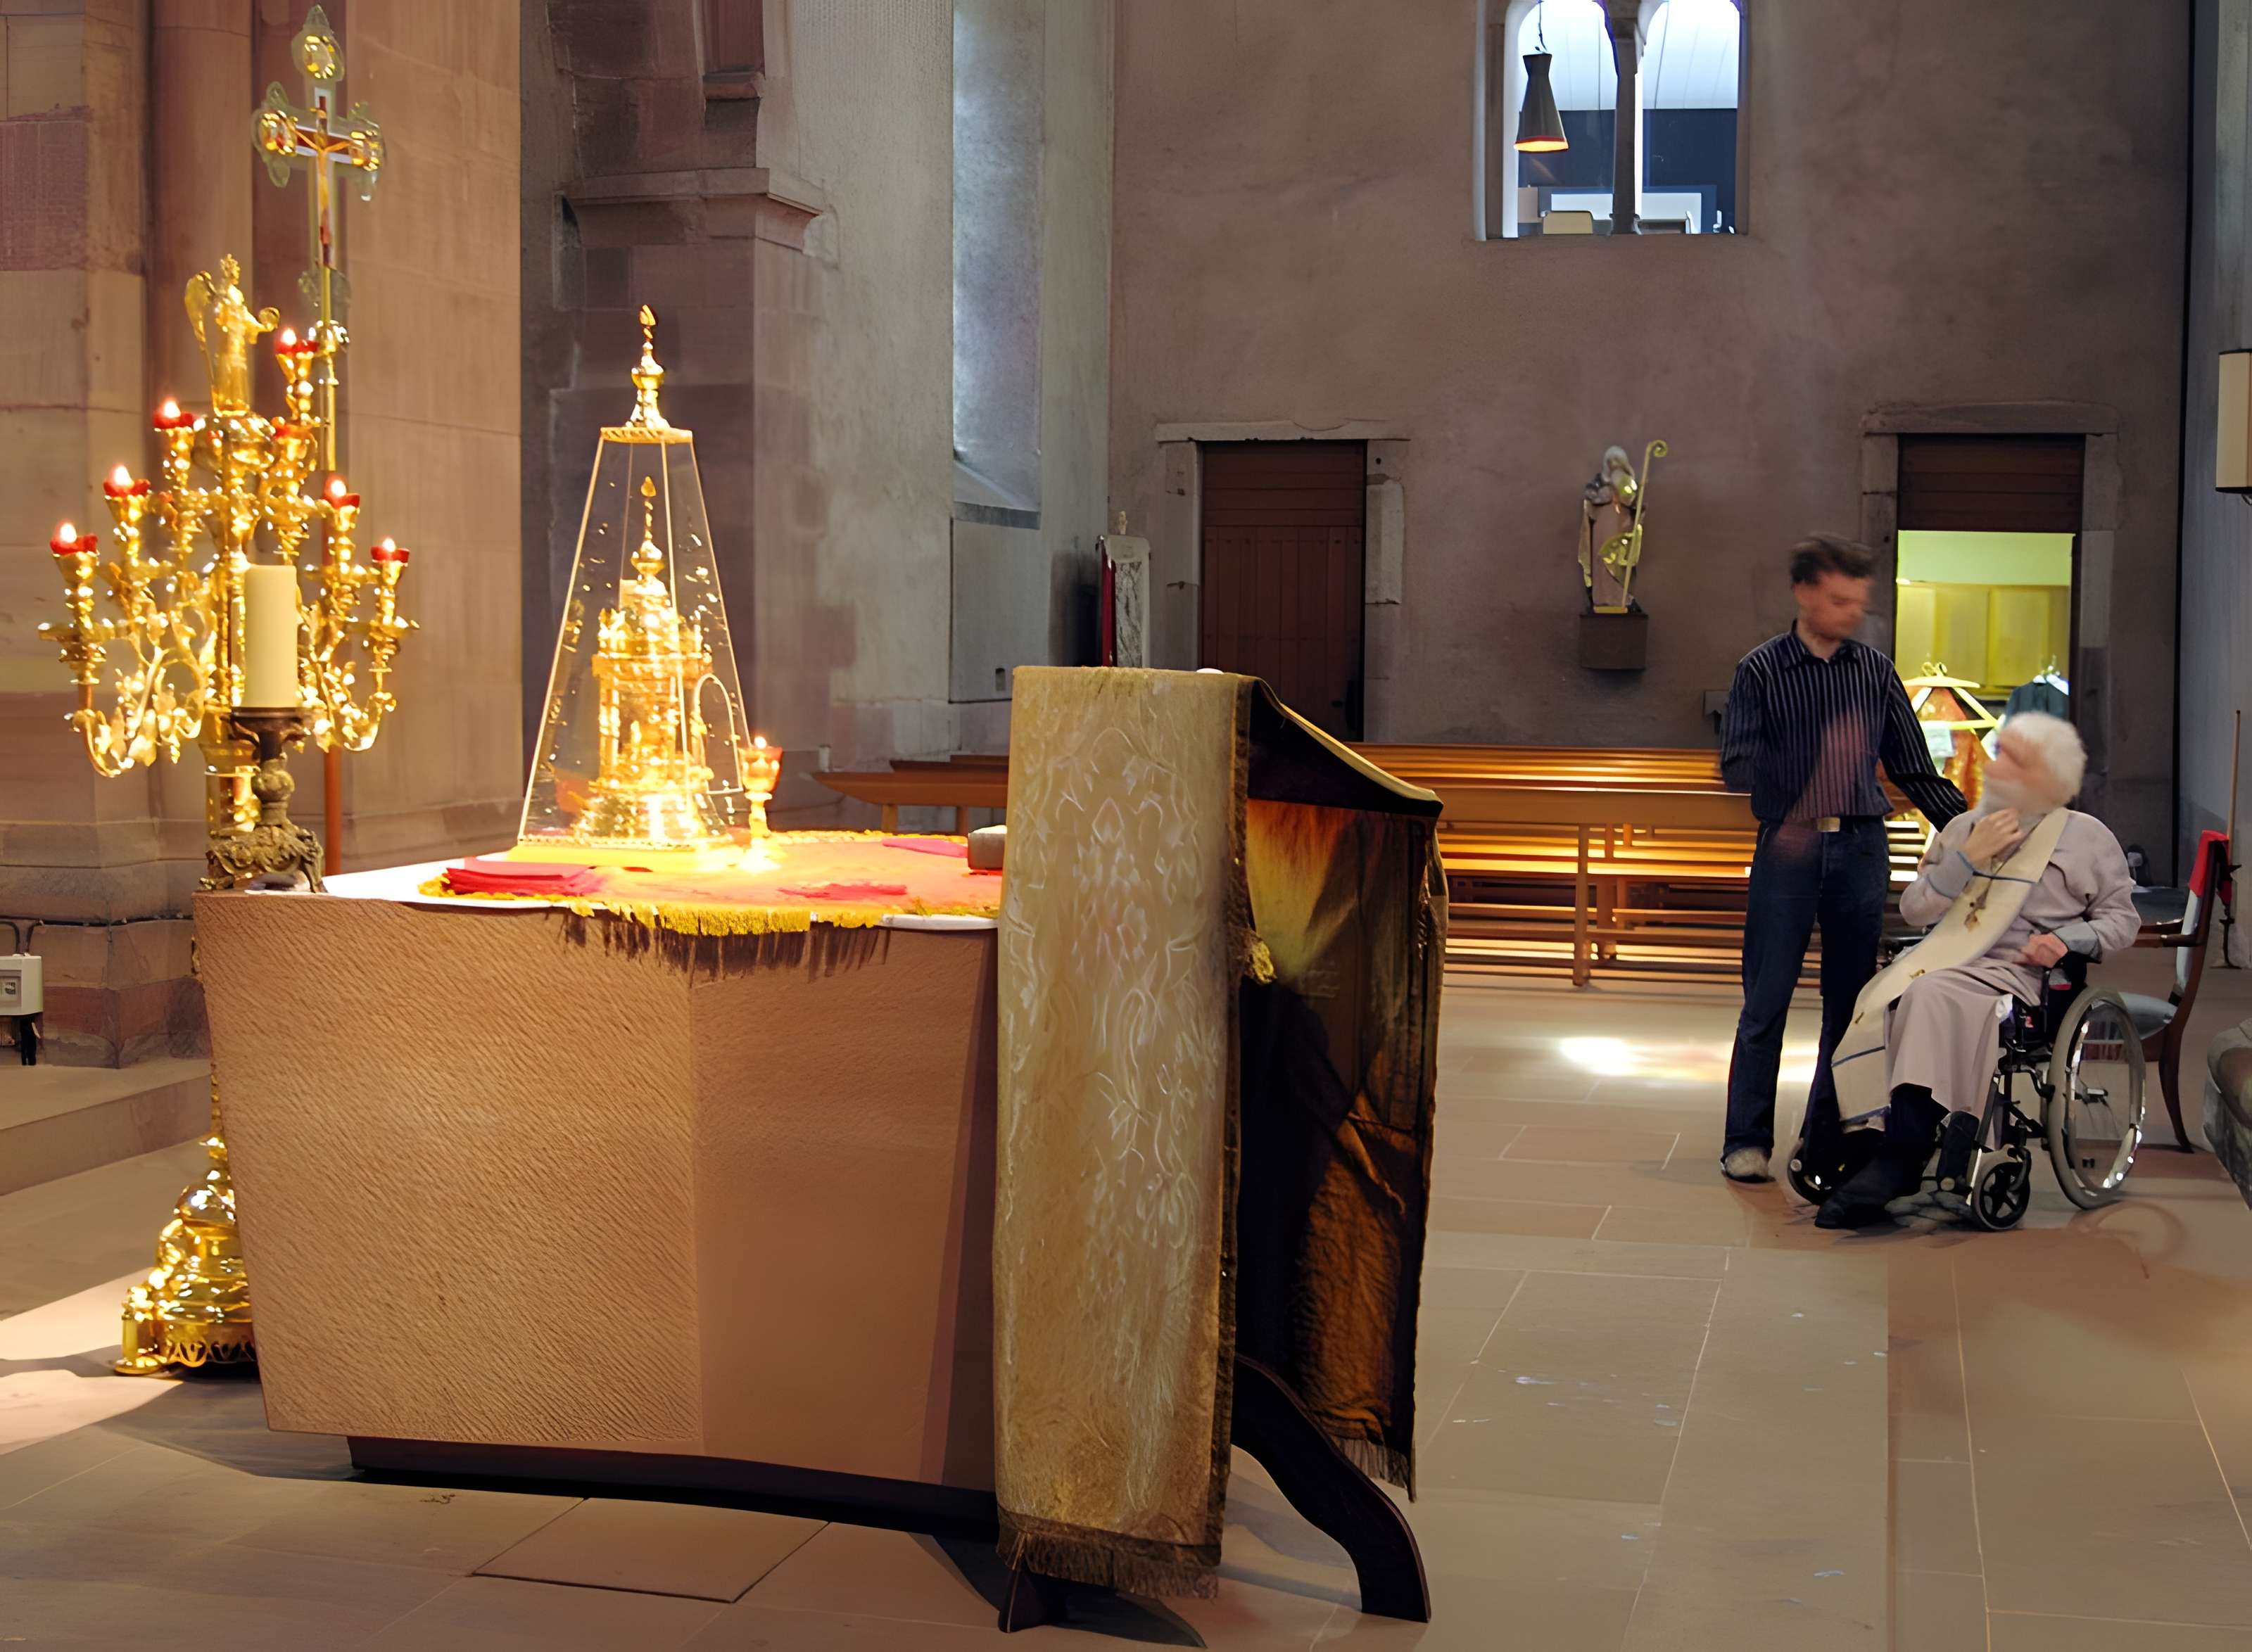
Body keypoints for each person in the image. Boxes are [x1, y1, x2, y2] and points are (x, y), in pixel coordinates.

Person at [1811, 712, 2139, 1227]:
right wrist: (1965, 858)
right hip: (1945, 960)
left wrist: (2065, 940)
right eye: (1999, 751)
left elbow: (2122, 921)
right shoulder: (1964, 829)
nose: (1993, 764)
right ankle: (1861, 1140)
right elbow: (1917, 911)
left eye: (2012, 758)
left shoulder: (2086, 839)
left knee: (1929, 995)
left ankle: (1905, 1149)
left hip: (2019, 976)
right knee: (1877, 999)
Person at [1719, 537, 1968, 1184]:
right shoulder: (1761, 670)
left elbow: (1915, 768)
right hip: (1788, 847)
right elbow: (1735, 765)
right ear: (1804, 592)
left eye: (1859, 602)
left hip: (1860, 848)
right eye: (1839, 599)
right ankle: (1745, 1139)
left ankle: (1823, 1136)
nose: (1852, 612)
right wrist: (1804, 778)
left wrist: (1971, 832)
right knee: (1767, 998)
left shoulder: (1875, 671)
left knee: (1852, 1004)